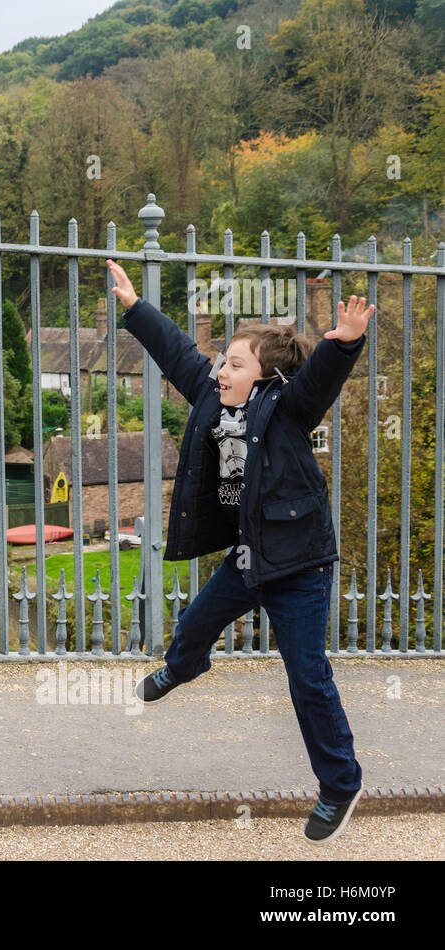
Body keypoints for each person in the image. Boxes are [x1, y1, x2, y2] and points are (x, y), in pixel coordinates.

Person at [106, 258, 371, 845]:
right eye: (223, 361)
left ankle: (340, 782)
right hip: (252, 554)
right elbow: (178, 353)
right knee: (195, 623)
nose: (220, 369)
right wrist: (134, 307)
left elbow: (317, 381)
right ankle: (184, 664)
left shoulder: (288, 409)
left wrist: (345, 345)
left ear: (264, 376)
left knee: (307, 677)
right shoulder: (210, 392)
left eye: (234, 363)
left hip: (298, 564)